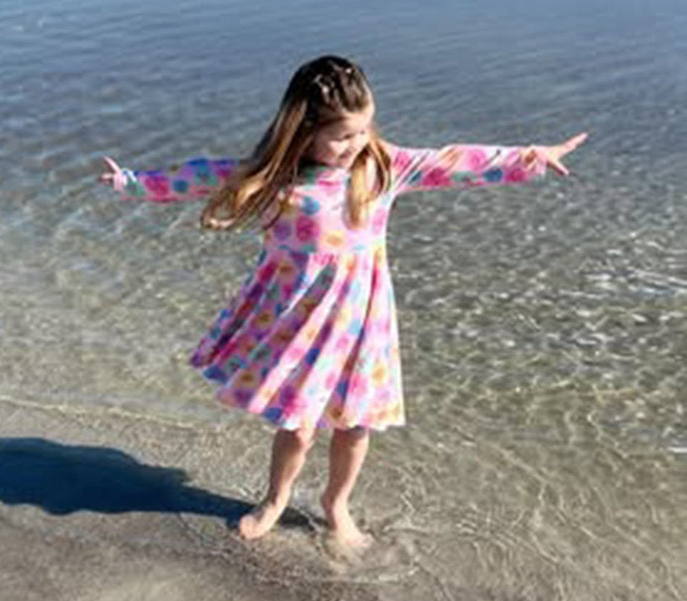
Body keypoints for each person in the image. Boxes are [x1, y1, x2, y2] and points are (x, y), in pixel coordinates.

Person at [99, 55, 586, 549]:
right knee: (300, 426)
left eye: (362, 130)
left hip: (363, 325)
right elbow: (203, 177)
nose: (355, 144)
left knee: (356, 425)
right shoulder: (276, 180)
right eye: (342, 136)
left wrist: (530, 156)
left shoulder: (381, 167)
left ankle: (337, 504)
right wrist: (134, 183)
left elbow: (452, 160)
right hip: (301, 325)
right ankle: (275, 499)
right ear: (303, 129)